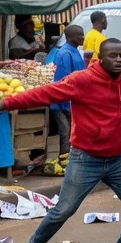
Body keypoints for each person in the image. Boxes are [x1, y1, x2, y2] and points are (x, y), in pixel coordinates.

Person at [0, 40, 121, 243]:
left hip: (116, 158)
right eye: (113, 56)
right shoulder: (83, 80)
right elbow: (44, 94)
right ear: (101, 57)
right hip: (85, 158)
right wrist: (5, 103)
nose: (119, 60)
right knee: (64, 209)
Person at [47, 24, 86, 164]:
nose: (83, 37)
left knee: (72, 132)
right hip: (62, 102)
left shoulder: (75, 52)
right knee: (65, 132)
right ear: (71, 37)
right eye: (80, 35)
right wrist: (66, 105)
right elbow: (64, 81)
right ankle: (64, 161)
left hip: (73, 101)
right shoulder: (64, 53)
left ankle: (70, 160)